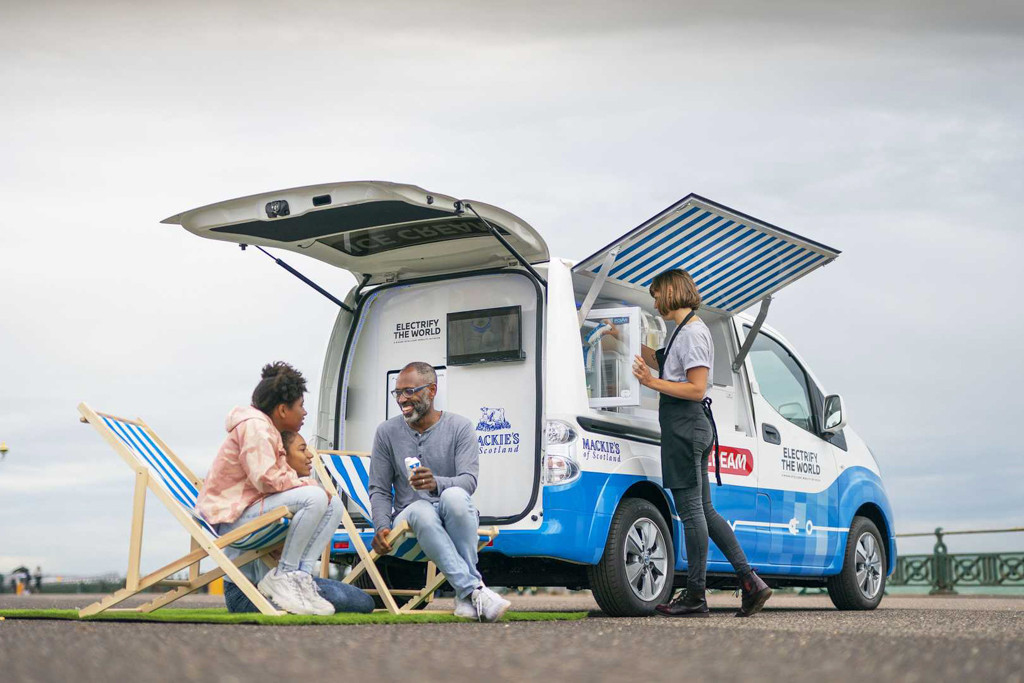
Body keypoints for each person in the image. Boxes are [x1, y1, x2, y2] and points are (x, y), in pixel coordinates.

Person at [631, 269, 772, 618]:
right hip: (689, 428)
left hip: (686, 427)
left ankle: (696, 594)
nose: (655, 300)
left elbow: (696, 388)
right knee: (704, 511)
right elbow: (666, 362)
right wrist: (623, 338)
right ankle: (751, 582)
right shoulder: (682, 330)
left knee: (692, 513)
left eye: (657, 293)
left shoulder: (693, 332)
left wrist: (651, 382)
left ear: (672, 292)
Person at [197, 361, 345, 616]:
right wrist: (305, 483)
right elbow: (265, 479)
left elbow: (276, 478)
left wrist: (307, 485)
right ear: (282, 410)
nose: (305, 413)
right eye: (301, 406)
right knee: (315, 496)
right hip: (233, 521)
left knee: (334, 504)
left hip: (251, 512)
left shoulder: (267, 429)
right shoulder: (255, 427)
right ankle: (285, 575)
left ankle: (301, 577)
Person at [369, 361, 511, 622]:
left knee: (455, 495)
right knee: (421, 509)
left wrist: (436, 484)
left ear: (431, 391)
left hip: (452, 517)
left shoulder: (460, 427)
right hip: (408, 519)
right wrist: (381, 525)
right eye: (398, 393)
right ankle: (474, 589)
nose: (402, 399)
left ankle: (465, 597)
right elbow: (379, 489)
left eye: (409, 392)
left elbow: (468, 481)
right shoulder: (386, 432)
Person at [220, 430, 374, 614]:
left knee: (364, 601)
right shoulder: (266, 500)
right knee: (343, 599)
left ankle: (302, 593)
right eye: (302, 450)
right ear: (282, 456)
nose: (309, 455)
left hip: (294, 584)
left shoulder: (300, 501)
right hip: (250, 591)